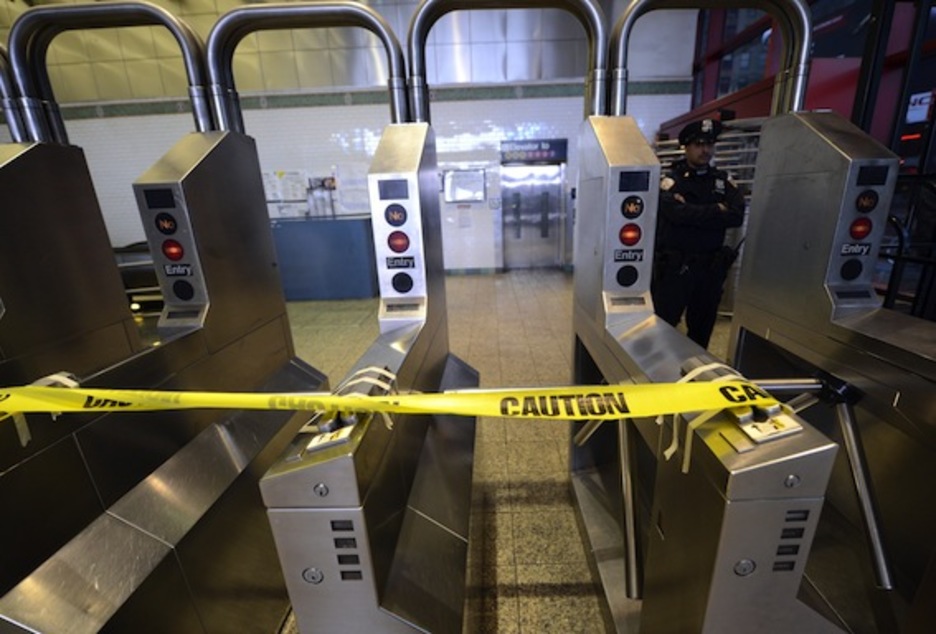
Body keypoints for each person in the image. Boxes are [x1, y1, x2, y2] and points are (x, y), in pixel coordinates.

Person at [651, 118, 745, 348]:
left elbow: (736, 216)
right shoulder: (672, 181)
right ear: (687, 146)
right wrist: (716, 210)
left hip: (710, 270)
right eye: (699, 144)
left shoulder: (722, 182)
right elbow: (674, 213)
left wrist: (693, 212)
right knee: (662, 327)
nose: (705, 150)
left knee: (701, 332)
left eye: (709, 144)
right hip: (675, 270)